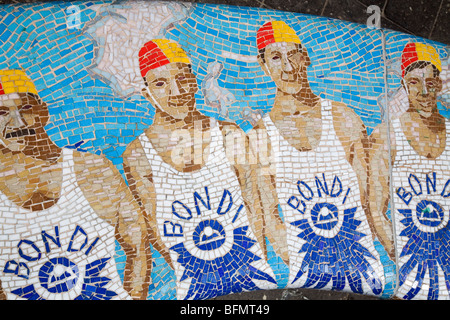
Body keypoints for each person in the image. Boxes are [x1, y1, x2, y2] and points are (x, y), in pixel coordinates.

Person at [122, 39, 279, 299]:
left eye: (183, 79)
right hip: (193, 281)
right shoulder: (138, 154)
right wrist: (193, 269)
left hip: (250, 270)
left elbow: (256, 207)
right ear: (146, 93)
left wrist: (253, 268)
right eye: (161, 84)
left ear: (195, 82)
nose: (177, 91)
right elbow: (154, 226)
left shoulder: (230, 134)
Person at [252, 21, 385, 295]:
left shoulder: (344, 118)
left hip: (363, 262)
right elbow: (268, 215)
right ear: (264, 66)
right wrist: (303, 259)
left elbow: (371, 197)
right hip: (305, 270)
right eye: (276, 58)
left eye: (293, 55)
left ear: (306, 57)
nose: (288, 68)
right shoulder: (259, 137)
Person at [0, 70, 151, 300]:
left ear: (43, 110)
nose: (17, 122)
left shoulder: (92, 170)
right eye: (2, 112)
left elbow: (138, 246)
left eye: (26, 108)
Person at [369, 42, 448, 299]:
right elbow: (375, 209)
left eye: (430, 82)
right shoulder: (387, 136)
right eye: (415, 83)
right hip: (410, 262)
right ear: (404, 85)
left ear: (439, 83)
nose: (424, 92)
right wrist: (404, 260)